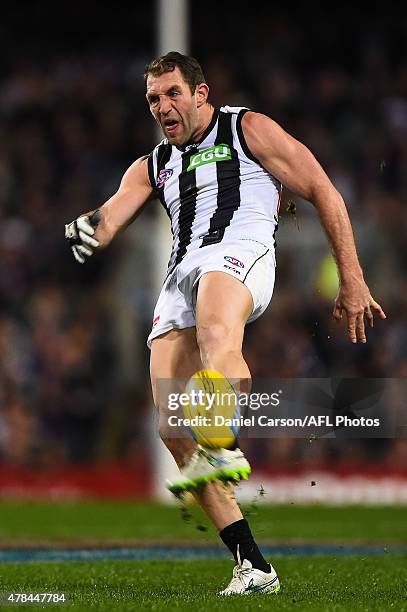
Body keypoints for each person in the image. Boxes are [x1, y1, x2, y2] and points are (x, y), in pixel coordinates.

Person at [65, 51, 386, 596]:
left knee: (218, 332)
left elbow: (324, 190)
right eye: (152, 99)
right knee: (171, 427)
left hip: (238, 251)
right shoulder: (152, 164)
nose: (162, 106)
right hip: (180, 274)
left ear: (200, 93)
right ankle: (252, 565)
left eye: (171, 94)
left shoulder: (246, 129)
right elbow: (112, 215)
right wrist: (84, 230)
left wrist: (352, 279)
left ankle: (222, 431)